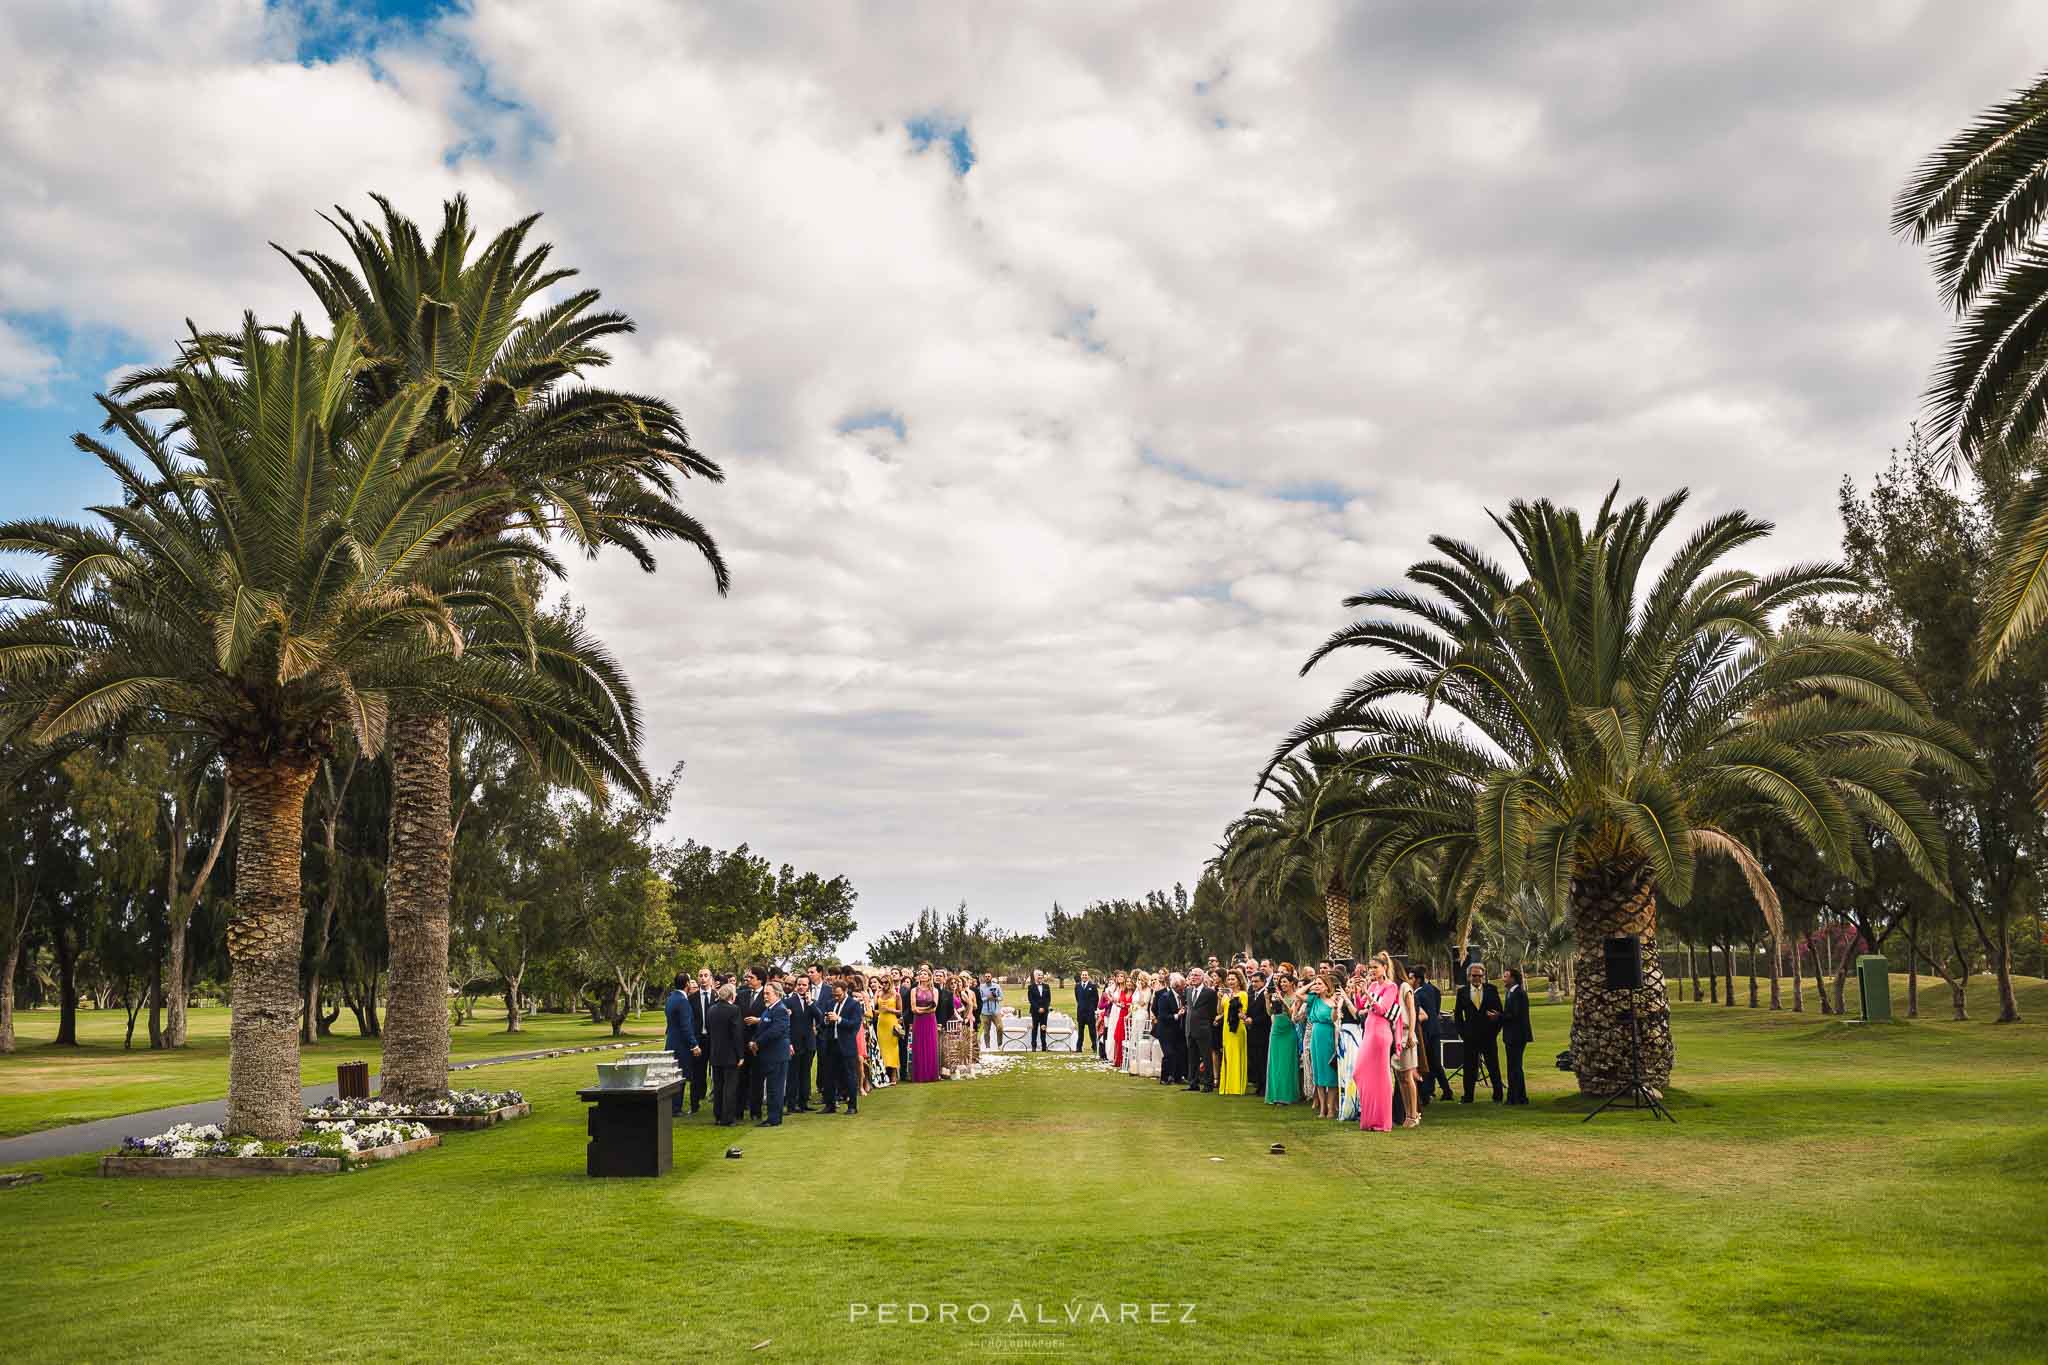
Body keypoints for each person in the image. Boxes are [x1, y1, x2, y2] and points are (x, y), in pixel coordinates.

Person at [1355, 954, 1402, 1132]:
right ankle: (1370, 1118)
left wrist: (1368, 994)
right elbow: (1361, 1006)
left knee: (1381, 1076)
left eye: (1375, 967)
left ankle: (1382, 1121)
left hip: (1381, 1033)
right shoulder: (1373, 985)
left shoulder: (1391, 987)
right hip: (1369, 1030)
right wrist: (1357, 991)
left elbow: (1383, 1009)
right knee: (1360, 1071)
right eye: (1371, 967)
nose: (1372, 970)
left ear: (1384, 967)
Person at [1455, 961, 1505, 1104]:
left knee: (1493, 1066)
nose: (1477, 979)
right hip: (1470, 1036)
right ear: (1469, 977)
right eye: (1474, 976)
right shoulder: (1462, 992)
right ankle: (1468, 1096)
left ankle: (1498, 1095)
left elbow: (1499, 1013)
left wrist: (1495, 1032)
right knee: (1469, 1067)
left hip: (1488, 1036)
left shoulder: (1491, 990)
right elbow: (1458, 1015)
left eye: (1480, 976)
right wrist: (1463, 1033)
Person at [819, 979, 863, 1114]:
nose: (836, 997)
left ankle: (852, 1106)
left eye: (838, 994)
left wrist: (839, 1019)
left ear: (845, 991)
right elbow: (823, 1024)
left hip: (847, 1044)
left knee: (849, 1075)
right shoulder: (830, 1003)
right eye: (834, 995)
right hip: (831, 1043)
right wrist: (826, 1021)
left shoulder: (854, 1005)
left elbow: (855, 1024)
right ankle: (830, 1104)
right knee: (829, 1075)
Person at [751, 982, 792, 1127]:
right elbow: (762, 1028)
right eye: (764, 994)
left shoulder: (780, 1010)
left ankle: (774, 1118)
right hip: (769, 1054)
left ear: (778, 994)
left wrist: (758, 1042)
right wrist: (754, 1041)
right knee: (771, 1087)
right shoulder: (768, 1010)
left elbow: (776, 1031)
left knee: (775, 1088)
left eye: (768, 994)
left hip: (777, 1055)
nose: (765, 997)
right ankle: (772, 1116)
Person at [1411, 964, 1452, 1106]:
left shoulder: (1418, 995)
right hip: (1435, 1030)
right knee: (1435, 1063)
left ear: (1417, 979)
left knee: (1427, 1063)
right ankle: (1445, 1090)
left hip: (1426, 1032)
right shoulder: (1432, 990)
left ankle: (1427, 1092)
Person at [662, 972, 702, 1117]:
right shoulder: (683, 1001)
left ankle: (673, 1106)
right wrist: (694, 1044)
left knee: (674, 1075)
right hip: (681, 1044)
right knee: (681, 1076)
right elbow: (686, 1026)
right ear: (686, 984)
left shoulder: (671, 998)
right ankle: (676, 1108)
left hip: (671, 1041)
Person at [706, 983, 745, 1127]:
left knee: (718, 1086)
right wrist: (740, 1055)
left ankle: (718, 1115)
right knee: (730, 1087)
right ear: (731, 996)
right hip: (730, 1055)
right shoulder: (734, 1010)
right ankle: (728, 1117)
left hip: (715, 1053)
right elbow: (737, 1034)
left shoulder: (711, 1010)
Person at [1302, 972, 1339, 1118]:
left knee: (1330, 1073)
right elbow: (1298, 994)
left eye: (1320, 984)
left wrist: (1336, 1008)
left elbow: (1334, 1018)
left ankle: (1331, 1108)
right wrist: (1311, 984)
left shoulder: (1333, 1001)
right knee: (1318, 1073)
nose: (1317, 986)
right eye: (1316, 983)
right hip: (1315, 1036)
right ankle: (1322, 1107)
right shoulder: (1313, 999)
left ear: (1327, 986)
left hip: (1328, 1035)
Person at [1264, 972, 1301, 1105]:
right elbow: (1270, 1013)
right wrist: (1267, 999)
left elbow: (1292, 1013)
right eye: (1281, 982)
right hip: (1276, 1030)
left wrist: (1282, 1000)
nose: (1283, 984)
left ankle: (1286, 1096)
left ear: (1292, 983)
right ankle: (1275, 1094)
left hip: (1288, 1031)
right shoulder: (1277, 996)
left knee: (1286, 1063)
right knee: (1275, 1063)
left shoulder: (1297, 997)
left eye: (1285, 981)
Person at [1393, 956, 1421, 1128]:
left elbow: (1411, 1011)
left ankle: (1413, 1114)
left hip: (1405, 1034)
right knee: (1400, 1076)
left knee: (1408, 1075)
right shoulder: (1390, 989)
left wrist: (1411, 1033)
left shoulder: (1404, 987)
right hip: (1395, 1035)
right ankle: (1407, 1112)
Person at [736, 966, 767, 1121]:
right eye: (747, 978)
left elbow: (772, 1017)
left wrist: (758, 1020)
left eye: (751, 977)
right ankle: (739, 1110)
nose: (748, 980)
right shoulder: (741, 995)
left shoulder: (767, 995)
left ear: (760, 980)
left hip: (759, 1043)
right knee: (741, 1078)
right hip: (742, 1043)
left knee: (757, 1079)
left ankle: (756, 1111)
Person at [1183, 968, 1217, 1092]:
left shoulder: (1209, 992)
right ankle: (1193, 1083)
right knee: (1192, 1058)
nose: (1193, 977)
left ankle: (1208, 1084)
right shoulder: (1188, 990)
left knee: (1206, 1058)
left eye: (1196, 975)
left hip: (1203, 1029)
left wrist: (1206, 1024)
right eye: (1192, 975)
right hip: (1190, 1029)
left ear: (1202, 977)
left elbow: (1212, 1012)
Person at [1502, 967, 1532, 1105]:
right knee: (1513, 1066)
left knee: (1515, 1066)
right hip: (1511, 1035)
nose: (1504, 979)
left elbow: (1515, 1015)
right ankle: (1515, 1096)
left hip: (1517, 1036)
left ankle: (1518, 1097)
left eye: (1506, 976)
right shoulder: (1510, 993)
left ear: (1513, 978)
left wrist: (1498, 1016)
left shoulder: (1519, 994)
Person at [1217, 969, 1249, 1095]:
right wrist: (1220, 999)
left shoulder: (1242, 994)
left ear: (1239, 981)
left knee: (1236, 1055)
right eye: (1229, 979)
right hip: (1226, 1028)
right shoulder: (1224, 994)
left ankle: (1236, 1086)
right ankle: (1227, 1086)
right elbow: (1220, 1011)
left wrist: (1231, 998)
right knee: (1227, 1055)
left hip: (1237, 1028)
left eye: (1233, 979)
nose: (1230, 982)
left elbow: (1242, 1011)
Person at [908, 965, 942, 1083]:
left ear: (929, 977)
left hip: (930, 1020)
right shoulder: (914, 990)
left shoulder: (935, 990)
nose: (922, 975)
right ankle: (919, 1075)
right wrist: (924, 1010)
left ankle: (931, 1074)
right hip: (918, 1020)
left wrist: (921, 1010)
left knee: (930, 1045)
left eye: (925, 974)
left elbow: (934, 1008)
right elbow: (913, 1009)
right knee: (919, 1045)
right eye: (921, 974)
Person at [1153, 973, 1184, 1085]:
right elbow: (1162, 1016)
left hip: (1177, 1030)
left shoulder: (1182, 996)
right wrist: (1177, 1015)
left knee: (1179, 1053)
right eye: (1182, 986)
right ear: (1176, 986)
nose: (1184, 988)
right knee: (1169, 1054)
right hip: (1165, 1031)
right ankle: (1164, 1078)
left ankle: (1176, 1077)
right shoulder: (1165, 997)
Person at [1246, 968, 1271, 1098]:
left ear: (1263, 982)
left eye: (1256, 981)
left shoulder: (1266, 995)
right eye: (1252, 981)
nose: (1253, 984)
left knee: (1263, 1060)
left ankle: (1264, 1086)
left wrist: (1253, 1020)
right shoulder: (1251, 996)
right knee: (1255, 1060)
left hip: (1264, 1033)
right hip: (1252, 1033)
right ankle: (1259, 1085)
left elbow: (1267, 1015)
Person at [874, 975, 902, 1083]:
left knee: (893, 1048)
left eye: (886, 982)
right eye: (882, 982)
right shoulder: (879, 994)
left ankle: (894, 1074)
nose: (884, 985)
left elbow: (900, 1012)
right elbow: (875, 1008)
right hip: (881, 1024)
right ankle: (883, 1074)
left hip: (892, 1023)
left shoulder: (896, 995)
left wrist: (889, 1009)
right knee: (882, 1048)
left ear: (890, 983)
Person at [1073, 971, 1099, 1054]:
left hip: (1090, 1012)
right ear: (1081, 976)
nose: (1084, 976)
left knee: (1092, 1031)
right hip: (1081, 1012)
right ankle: (1079, 1047)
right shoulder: (1077, 986)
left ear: (1088, 976)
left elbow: (1096, 999)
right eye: (1083, 975)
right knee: (1080, 1031)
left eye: (1086, 975)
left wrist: (1093, 1009)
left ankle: (1094, 1046)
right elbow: (1077, 998)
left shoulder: (1093, 986)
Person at [1027, 970, 1052, 1051]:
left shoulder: (1046, 986)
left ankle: (1044, 1046)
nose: (1040, 977)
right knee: (1034, 1028)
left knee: (1043, 1028)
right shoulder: (1031, 987)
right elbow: (1031, 1000)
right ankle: (1033, 1046)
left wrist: (1044, 1008)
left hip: (1044, 1011)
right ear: (1034, 977)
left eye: (1041, 975)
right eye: (1038, 975)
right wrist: (1038, 1008)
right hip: (1035, 1011)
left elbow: (1048, 999)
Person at [979, 973, 1006, 1050]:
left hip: (995, 1011)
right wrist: (987, 998)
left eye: (989, 976)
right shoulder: (981, 987)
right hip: (985, 1012)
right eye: (986, 977)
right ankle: (988, 1047)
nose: (987, 978)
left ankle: (999, 1045)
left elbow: (1001, 997)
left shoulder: (996, 986)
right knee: (986, 1031)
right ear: (984, 978)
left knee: (1000, 1027)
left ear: (991, 977)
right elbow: (980, 999)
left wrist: (995, 998)